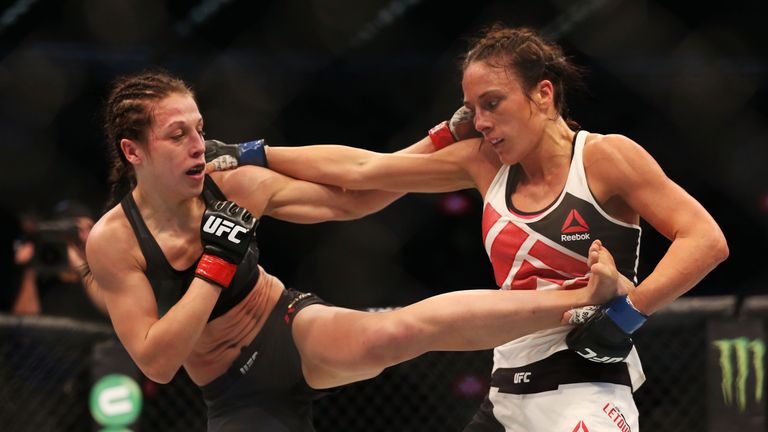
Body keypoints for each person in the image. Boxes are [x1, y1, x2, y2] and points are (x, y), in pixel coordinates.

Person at [214, 25, 729, 431]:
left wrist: (626, 313)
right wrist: (251, 153)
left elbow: (705, 239)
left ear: (543, 95)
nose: (480, 121)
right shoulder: (484, 163)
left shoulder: (604, 158)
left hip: (585, 388)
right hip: (505, 395)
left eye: (493, 103)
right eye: (472, 108)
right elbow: (364, 170)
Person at [84, 69, 624, 432]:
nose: (198, 146)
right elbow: (157, 362)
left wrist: (436, 140)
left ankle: (581, 298)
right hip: (232, 391)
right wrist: (215, 267)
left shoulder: (233, 185)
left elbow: (354, 197)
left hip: (287, 327)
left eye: (200, 129)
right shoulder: (115, 242)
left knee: (403, 329)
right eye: (177, 135)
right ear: (133, 151)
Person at [13, 201, 107, 322]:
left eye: (89, 228)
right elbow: (24, 323)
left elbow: (108, 308)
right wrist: (30, 269)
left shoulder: (102, 271)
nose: (83, 237)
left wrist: (81, 267)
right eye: (76, 229)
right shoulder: (45, 270)